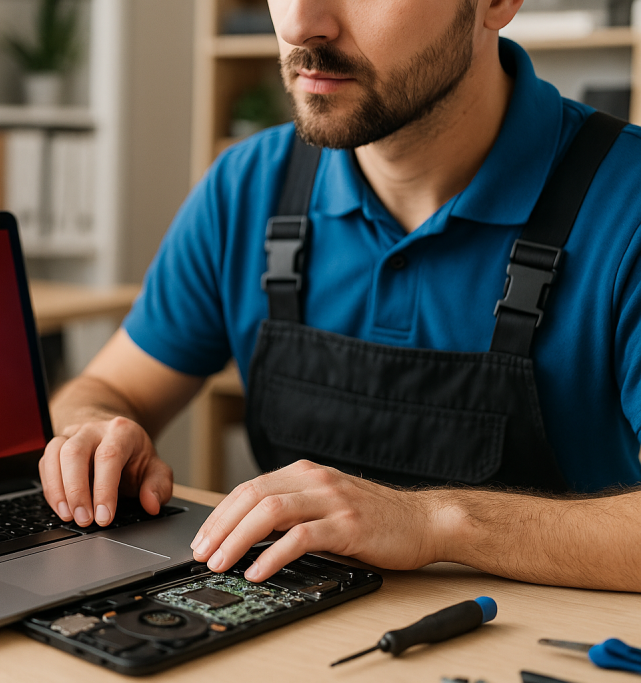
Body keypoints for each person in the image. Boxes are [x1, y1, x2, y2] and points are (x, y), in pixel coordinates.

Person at [40, 0, 641, 592]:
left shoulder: (627, 204)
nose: (300, 24)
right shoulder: (248, 186)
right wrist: (94, 435)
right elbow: (104, 391)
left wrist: (434, 523)